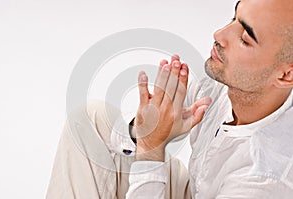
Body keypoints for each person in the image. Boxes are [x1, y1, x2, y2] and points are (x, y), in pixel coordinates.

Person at [47, 0, 293, 198]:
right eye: (233, 18)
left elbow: (150, 149)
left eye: (244, 38)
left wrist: (150, 151)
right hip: (197, 192)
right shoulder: (227, 82)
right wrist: (146, 130)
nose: (219, 34)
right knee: (90, 120)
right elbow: (159, 125)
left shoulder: (265, 181)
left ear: (286, 75)